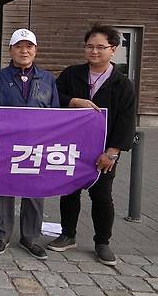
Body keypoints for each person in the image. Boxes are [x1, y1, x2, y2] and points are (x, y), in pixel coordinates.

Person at [47, 24, 135, 266]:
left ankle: (102, 242)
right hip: (71, 146)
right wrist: (73, 101)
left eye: (100, 47)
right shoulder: (72, 74)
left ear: (113, 49)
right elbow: (53, 98)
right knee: (69, 191)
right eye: (89, 46)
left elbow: (126, 121)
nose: (94, 51)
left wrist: (112, 153)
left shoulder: (122, 84)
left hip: (103, 151)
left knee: (102, 196)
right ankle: (68, 234)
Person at [0, 29, 59, 260]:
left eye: (29, 46)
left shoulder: (48, 79)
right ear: (10, 50)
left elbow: (55, 113)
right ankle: (2, 235)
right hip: (5, 144)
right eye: (19, 46)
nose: (24, 51)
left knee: (34, 192)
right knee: (2, 191)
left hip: (37, 145)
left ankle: (30, 238)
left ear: (35, 50)